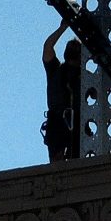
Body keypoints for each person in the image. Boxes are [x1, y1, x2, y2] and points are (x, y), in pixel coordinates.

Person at [41, 20, 84, 162]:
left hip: (76, 127)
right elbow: (48, 47)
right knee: (59, 165)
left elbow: (47, 48)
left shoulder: (86, 77)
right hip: (58, 124)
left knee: (75, 164)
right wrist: (63, 28)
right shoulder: (56, 69)